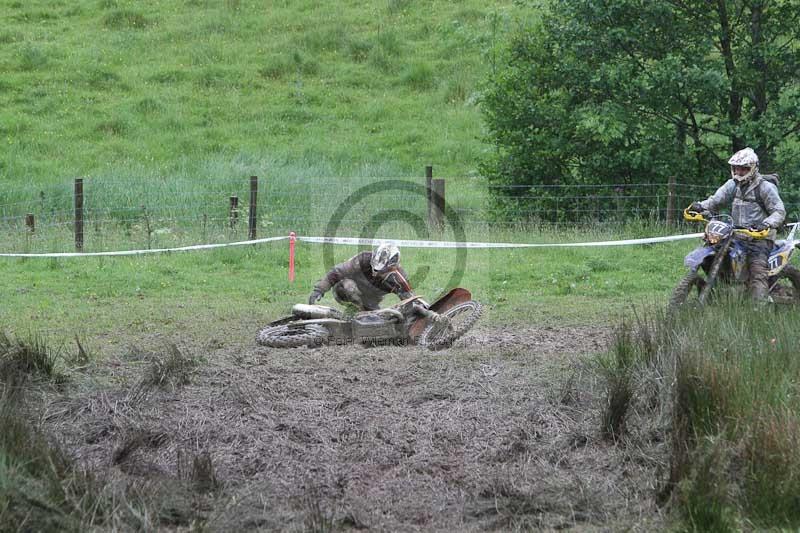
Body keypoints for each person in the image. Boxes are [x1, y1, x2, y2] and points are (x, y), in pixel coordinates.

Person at [689, 147, 786, 300]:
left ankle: (758, 309)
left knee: (757, 272)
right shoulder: (732, 185)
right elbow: (715, 201)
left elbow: (779, 211)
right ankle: (715, 292)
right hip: (735, 235)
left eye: (743, 169)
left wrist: (766, 224)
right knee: (710, 253)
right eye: (736, 168)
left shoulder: (765, 188)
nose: (739, 172)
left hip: (759, 238)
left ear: (753, 168)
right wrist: (701, 206)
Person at [308, 242, 414, 311]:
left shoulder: (399, 278)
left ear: (392, 268)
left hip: (371, 301)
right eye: (374, 267)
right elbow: (337, 271)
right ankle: (353, 310)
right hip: (346, 291)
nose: (375, 273)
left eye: (381, 271)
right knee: (348, 286)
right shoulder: (363, 259)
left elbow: (410, 300)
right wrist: (319, 290)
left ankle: (366, 312)